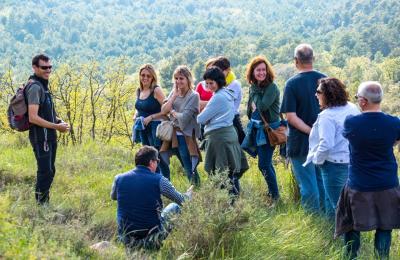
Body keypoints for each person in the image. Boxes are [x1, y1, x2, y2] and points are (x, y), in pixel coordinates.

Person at [335, 82, 400, 259]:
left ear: (363, 101)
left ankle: (351, 257)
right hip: (387, 183)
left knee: (352, 225)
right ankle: (382, 257)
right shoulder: (395, 123)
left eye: (357, 98)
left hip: (359, 184)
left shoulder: (352, 122)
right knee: (385, 226)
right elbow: (393, 142)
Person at [111, 146, 193, 249]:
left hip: (124, 237)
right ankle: (157, 244)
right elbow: (182, 200)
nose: (157, 163)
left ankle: (132, 245)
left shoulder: (118, 178)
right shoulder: (159, 179)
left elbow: (114, 197)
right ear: (151, 162)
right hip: (151, 236)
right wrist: (189, 195)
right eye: (157, 161)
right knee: (174, 207)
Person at [303, 78, 359, 218]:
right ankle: (332, 236)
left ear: (328, 94)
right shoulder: (352, 108)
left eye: (318, 92)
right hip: (351, 161)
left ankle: (346, 239)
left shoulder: (327, 116)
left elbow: (326, 144)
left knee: (339, 207)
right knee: (335, 202)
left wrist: (317, 160)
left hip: (333, 165)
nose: (316, 95)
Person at [280, 44, 327, 212]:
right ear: (313, 59)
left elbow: (291, 117)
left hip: (300, 142)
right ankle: (328, 220)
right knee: (322, 183)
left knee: (308, 186)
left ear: (296, 61)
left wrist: (310, 132)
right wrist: (318, 133)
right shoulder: (325, 80)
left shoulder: (291, 84)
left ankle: (314, 223)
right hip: (324, 140)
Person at [197, 67, 249, 196]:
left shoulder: (218, 97)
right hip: (229, 134)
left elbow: (201, 118)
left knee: (222, 174)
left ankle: (229, 204)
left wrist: (208, 118)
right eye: (207, 83)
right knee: (231, 173)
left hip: (219, 138)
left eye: (211, 83)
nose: (208, 86)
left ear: (219, 81)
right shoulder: (227, 93)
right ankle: (235, 203)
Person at [26, 54, 70, 204]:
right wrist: (56, 127)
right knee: (45, 172)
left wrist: (58, 121)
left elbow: (45, 112)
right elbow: (33, 117)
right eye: (44, 67)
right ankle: (41, 205)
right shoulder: (35, 88)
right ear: (35, 68)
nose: (48, 70)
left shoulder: (43, 86)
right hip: (41, 137)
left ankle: (44, 202)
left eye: (50, 67)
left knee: (50, 170)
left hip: (49, 135)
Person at [241, 56, 281, 201]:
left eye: (264, 70)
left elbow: (262, 106)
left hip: (269, 130)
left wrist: (254, 94)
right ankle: (273, 193)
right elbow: (250, 110)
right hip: (257, 128)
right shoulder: (254, 87)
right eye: (258, 70)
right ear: (252, 72)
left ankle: (275, 195)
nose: (261, 73)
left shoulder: (272, 87)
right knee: (267, 163)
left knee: (263, 164)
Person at [160, 65, 201, 185]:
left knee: (189, 166)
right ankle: (194, 189)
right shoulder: (174, 92)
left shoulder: (194, 96)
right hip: (173, 136)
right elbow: (163, 110)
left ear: (188, 79)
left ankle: (196, 189)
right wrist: (173, 97)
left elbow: (184, 118)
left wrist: (172, 112)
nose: (178, 81)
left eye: (181, 78)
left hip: (186, 136)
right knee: (183, 165)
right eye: (176, 78)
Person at [133, 64, 170, 179]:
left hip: (155, 128)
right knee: (147, 158)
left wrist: (151, 117)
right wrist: (135, 116)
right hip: (143, 128)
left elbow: (166, 110)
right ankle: (152, 181)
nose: (145, 78)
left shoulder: (156, 90)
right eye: (143, 75)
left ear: (153, 77)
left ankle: (166, 183)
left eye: (148, 76)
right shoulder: (139, 90)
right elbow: (138, 108)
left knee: (158, 157)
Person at [212, 56, 246, 144]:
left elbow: (223, 102)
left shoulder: (235, 84)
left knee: (236, 148)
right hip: (221, 120)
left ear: (228, 70)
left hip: (232, 119)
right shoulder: (218, 84)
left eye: (221, 71)